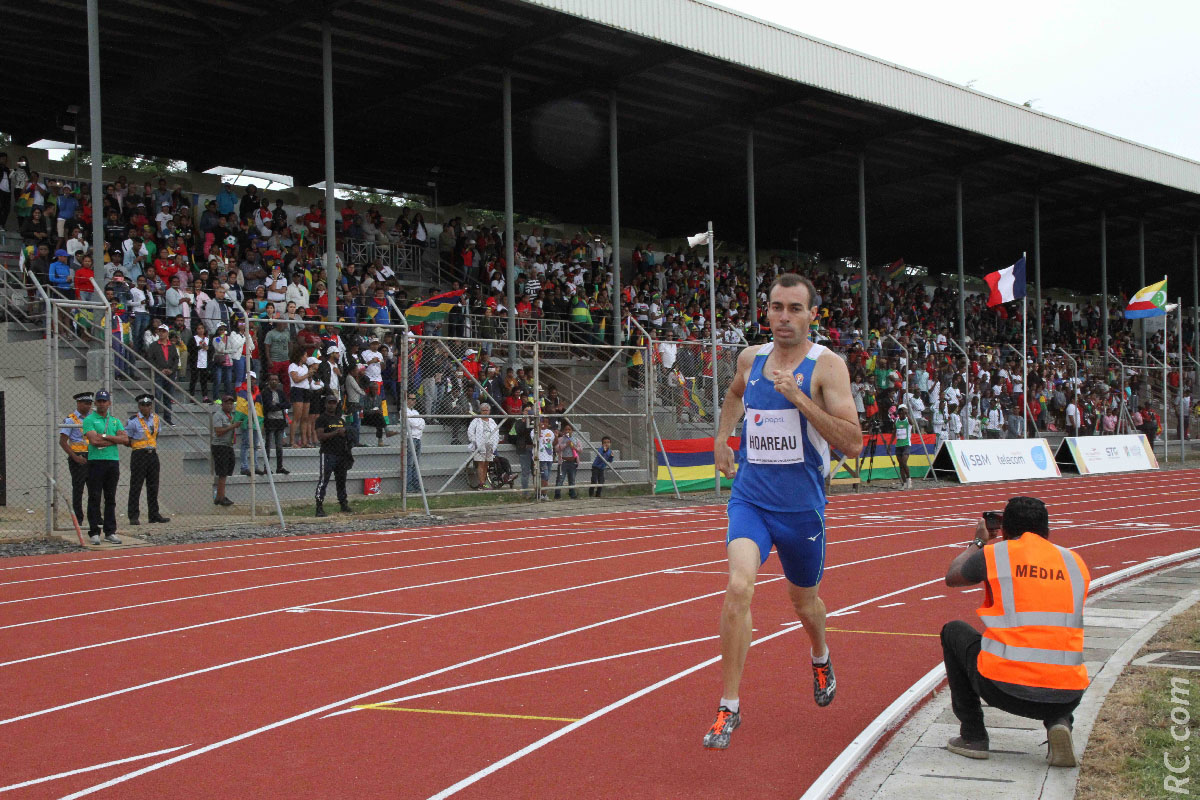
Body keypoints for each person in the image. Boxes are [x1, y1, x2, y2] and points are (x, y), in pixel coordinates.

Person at [705, 273, 862, 750]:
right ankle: (728, 706)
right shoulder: (750, 359)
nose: (784, 317)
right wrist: (722, 439)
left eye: (795, 309)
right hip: (751, 499)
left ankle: (819, 654)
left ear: (813, 314)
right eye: (777, 307)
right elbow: (734, 394)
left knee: (805, 604)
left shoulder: (827, 368)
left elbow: (852, 443)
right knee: (738, 585)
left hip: (801, 512)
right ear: (766, 311)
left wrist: (797, 398)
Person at [941, 496, 1089, 768]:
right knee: (1056, 643)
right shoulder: (1075, 562)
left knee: (953, 631)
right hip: (1067, 696)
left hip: (1002, 688)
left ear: (1005, 529)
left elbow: (953, 576)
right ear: (1047, 530)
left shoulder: (995, 554)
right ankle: (1060, 723)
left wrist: (978, 542)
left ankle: (973, 736)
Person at [82, 390, 130, 544]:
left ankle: (110, 531)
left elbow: (125, 439)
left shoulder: (115, 421)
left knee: (111, 497)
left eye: (105, 401)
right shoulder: (89, 420)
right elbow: (94, 441)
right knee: (94, 497)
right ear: (96, 403)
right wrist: (114, 440)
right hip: (96, 461)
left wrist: (106, 437)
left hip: (112, 461)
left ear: (109, 403)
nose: (102, 404)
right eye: (100, 401)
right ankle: (94, 531)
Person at [124, 393, 169, 525]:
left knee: (153, 485)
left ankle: (154, 514)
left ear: (151, 406)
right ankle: (133, 515)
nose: (145, 407)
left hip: (152, 454)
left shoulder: (156, 419)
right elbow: (127, 439)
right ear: (139, 406)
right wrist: (137, 445)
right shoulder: (133, 420)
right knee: (136, 485)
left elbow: (156, 435)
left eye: (148, 405)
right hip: (139, 454)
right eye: (143, 405)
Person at [58, 392, 94, 526]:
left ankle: (94, 517)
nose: (88, 406)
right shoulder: (70, 419)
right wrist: (75, 457)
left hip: (93, 456)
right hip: (78, 456)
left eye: (90, 403)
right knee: (78, 488)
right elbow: (63, 442)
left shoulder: (92, 418)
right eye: (86, 403)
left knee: (94, 488)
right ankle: (78, 518)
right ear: (78, 403)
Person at [314, 394, 352, 517]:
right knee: (324, 480)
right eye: (329, 403)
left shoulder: (340, 420)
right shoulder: (321, 419)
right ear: (325, 404)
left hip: (341, 454)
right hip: (328, 454)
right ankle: (319, 506)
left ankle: (343, 503)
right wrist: (336, 432)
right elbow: (320, 437)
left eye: (333, 403)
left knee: (341, 480)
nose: (331, 405)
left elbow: (346, 434)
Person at [145, 323, 178, 425]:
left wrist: (172, 370)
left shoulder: (172, 346)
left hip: (170, 374)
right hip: (158, 374)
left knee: (168, 397)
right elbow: (150, 359)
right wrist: (159, 369)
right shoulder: (153, 345)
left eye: (164, 331)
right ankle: (154, 419)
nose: (161, 333)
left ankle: (168, 419)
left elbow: (176, 359)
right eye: (160, 331)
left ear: (167, 333)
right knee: (157, 396)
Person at [260, 373, 291, 474]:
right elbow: (269, 406)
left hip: (280, 421)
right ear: (268, 381)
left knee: (279, 446)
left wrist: (277, 404)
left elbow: (288, 404)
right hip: (270, 421)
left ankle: (279, 467)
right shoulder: (265, 392)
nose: (274, 381)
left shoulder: (280, 392)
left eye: (276, 379)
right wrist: (281, 406)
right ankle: (266, 467)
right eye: (272, 379)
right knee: (268, 445)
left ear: (278, 382)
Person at [211, 393, 237, 505]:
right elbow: (218, 431)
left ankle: (220, 495)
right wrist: (233, 426)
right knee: (222, 472)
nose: (230, 405)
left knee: (226, 471)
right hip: (220, 445)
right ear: (222, 404)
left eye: (231, 403)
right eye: (227, 403)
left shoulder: (230, 416)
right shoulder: (218, 415)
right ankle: (220, 497)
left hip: (228, 445)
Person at [468, 403, 500, 489]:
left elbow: (496, 433)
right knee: (481, 463)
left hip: (490, 445)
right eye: (483, 410)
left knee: (486, 464)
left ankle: (484, 482)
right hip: (479, 445)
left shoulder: (492, 421)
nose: (485, 412)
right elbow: (470, 432)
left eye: (486, 410)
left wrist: (495, 444)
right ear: (480, 411)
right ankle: (481, 483)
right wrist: (475, 441)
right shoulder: (476, 421)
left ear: (489, 411)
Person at [404, 391, 425, 492]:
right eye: (411, 399)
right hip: (410, 438)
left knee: (416, 464)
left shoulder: (415, 412)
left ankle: (417, 485)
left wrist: (418, 422)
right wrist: (418, 422)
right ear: (407, 400)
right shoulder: (404, 411)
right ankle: (408, 487)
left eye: (414, 399)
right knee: (409, 464)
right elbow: (413, 423)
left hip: (418, 438)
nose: (414, 401)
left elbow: (422, 424)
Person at [553, 422, 580, 499]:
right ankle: (557, 495)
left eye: (569, 429)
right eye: (566, 430)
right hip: (563, 463)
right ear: (563, 431)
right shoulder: (560, 439)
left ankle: (572, 494)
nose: (567, 431)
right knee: (560, 479)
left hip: (573, 462)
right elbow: (557, 449)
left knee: (572, 479)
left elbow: (580, 449)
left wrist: (574, 447)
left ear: (572, 431)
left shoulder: (576, 440)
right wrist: (566, 445)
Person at [535, 414, 556, 500]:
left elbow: (553, 443)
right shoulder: (535, 431)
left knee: (547, 476)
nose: (544, 423)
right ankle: (541, 494)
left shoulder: (550, 432)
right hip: (541, 457)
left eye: (546, 422)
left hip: (549, 457)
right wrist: (539, 428)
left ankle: (544, 494)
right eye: (543, 422)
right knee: (545, 476)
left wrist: (557, 436)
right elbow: (536, 439)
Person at [894, 405, 912, 489]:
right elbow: (894, 433)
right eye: (900, 414)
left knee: (904, 462)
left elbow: (912, 423)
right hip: (898, 445)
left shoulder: (907, 421)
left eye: (902, 414)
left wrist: (907, 414)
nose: (901, 415)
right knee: (901, 465)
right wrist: (889, 445)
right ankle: (904, 483)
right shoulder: (896, 421)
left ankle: (909, 479)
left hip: (906, 444)